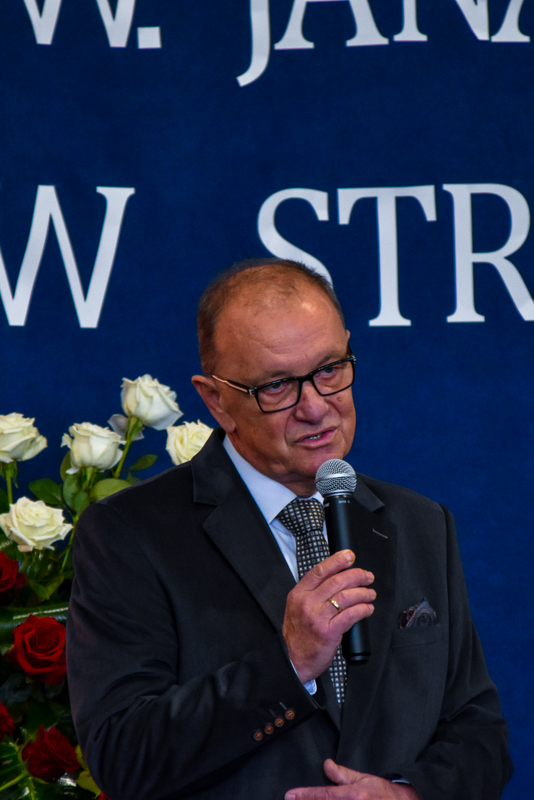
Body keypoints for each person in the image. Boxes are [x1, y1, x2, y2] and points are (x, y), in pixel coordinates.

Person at [67, 258, 512, 800]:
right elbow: (123, 757)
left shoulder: (420, 522)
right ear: (216, 400)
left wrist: (407, 794)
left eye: (329, 369)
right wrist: (290, 663)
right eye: (278, 386)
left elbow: (479, 734)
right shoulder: (130, 534)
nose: (316, 408)